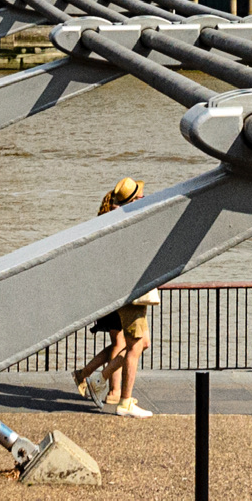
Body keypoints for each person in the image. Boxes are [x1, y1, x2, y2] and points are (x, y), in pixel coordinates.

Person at [72, 178, 157, 418]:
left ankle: (101, 380)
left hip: (125, 292)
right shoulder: (129, 225)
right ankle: (121, 398)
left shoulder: (117, 222)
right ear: (135, 200)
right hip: (131, 293)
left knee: (140, 343)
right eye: (141, 196)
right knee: (133, 345)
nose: (144, 197)